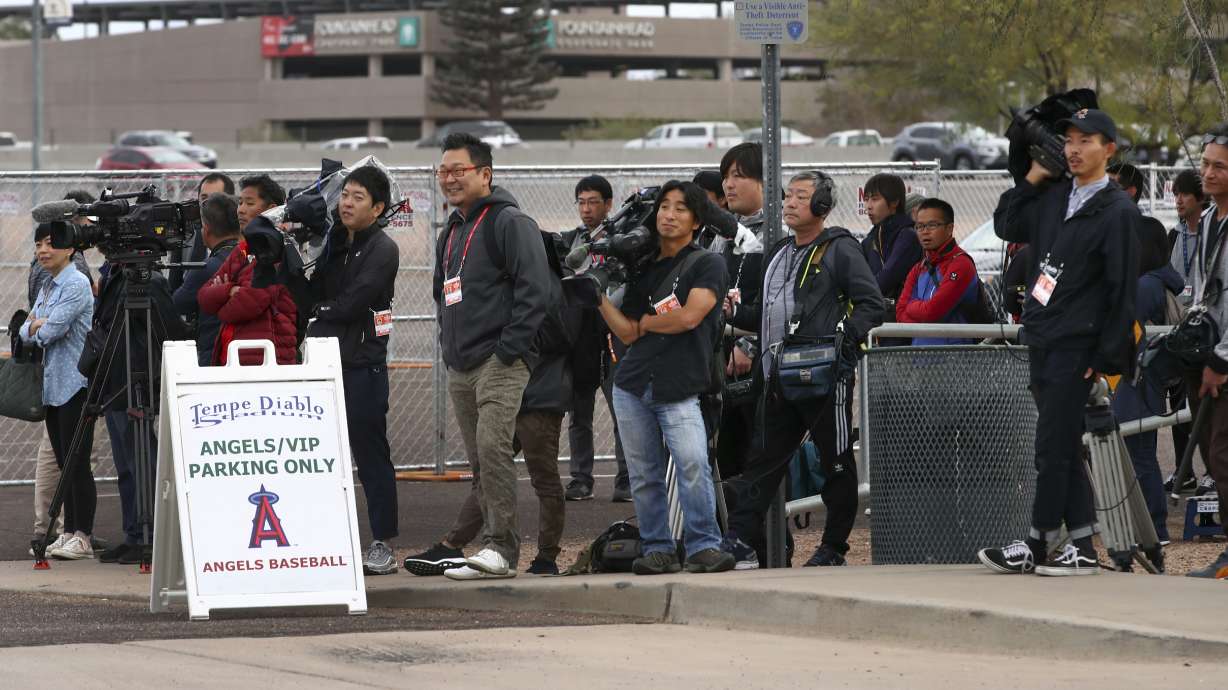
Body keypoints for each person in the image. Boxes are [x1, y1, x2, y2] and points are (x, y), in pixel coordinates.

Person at [980, 108, 1140, 577]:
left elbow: (1121, 291)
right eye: (1069, 139)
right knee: (1063, 443)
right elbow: (1007, 224)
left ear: (1108, 149)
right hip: (1043, 335)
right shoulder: (1055, 196)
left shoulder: (1118, 211)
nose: (1073, 148)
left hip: (1078, 346)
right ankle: (1084, 548)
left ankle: (1037, 540)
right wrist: (1033, 176)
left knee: (1051, 445)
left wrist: (1103, 356)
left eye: (1085, 140)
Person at [724, 171, 884, 569]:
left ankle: (833, 547)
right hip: (777, 377)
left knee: (836, 461)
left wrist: (843, 344)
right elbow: (762, 312)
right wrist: (732, 312)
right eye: (789, 196)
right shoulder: (779, 251)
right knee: (762, 462)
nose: (791, 203)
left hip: (823, 378)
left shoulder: (840, 249)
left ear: (822, 206)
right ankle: (738, 541)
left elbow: (871, 304)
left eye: (801, 196)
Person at [595, 180, 734, 575]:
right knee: (643, 475)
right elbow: (625, 332)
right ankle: (658, 548)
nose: (668, 215)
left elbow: (690, 316)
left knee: (692, 464)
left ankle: (704, 546)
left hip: (679, 385)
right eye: (664, 207)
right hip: (632, 383)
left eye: (680, 208)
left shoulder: (707, 263)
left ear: (696, 219)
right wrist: (598, 296)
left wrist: (644, 324)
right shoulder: (644, 267)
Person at [431, 133, 552, 580]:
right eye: (443, 171)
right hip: (461, 363)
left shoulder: (509, 221)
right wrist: (448, 345)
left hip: (499, 360)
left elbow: (534, 290)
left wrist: (508, 350)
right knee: (481, 462)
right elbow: (443, 296)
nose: (449, 179)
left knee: (492, 447)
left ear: (485, 174)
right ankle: (490, 550)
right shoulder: (454, 227)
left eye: (458, 171)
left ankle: (503, 548)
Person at [408, 264, 577, 578]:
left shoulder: (547, 287)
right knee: (488, 467)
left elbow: (562, 336)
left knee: (543, 476)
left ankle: (546, 555)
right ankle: (454, 544)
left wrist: (513, 335)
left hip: (538, 394)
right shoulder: (502, 287)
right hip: (503, 389)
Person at [307, 165, 401, 575]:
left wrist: (319, 311)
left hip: (362, 368)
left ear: (378, 207)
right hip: (323, 363)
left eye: (358, 196)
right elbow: (313, 292)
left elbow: (350, 304)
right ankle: (325, 539)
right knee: (321, 457)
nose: (346, 202)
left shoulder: (383, 248)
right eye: (344, 194)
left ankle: (383, 543)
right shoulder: (334, 241)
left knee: (371, 456)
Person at [24, 222, 96, 560]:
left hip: (76, 384)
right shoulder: (50, 285)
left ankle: (82, 535)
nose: (42, 250)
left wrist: (39, 325)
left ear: (70, 249)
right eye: (38, 243)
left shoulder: (76, 283)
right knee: (65, 460)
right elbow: (25, 328)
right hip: (54, 386)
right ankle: (67, 533)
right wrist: (37, 326)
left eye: (50, 244)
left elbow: (49, 331)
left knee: (77, 462)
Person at [557, 174, 631, 502]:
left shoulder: (623, 240)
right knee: (579, 412)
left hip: (616, 335)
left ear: (609, 204)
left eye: (593, 202)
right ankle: (580, 479)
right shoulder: (570, 242)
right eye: (582, 202)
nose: (587, 209)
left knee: (624, 410)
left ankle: (627, 480)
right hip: (581, 339)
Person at [1178, 125, 1228, 579]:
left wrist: (1221, 360)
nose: (1208, 173)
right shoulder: (1209, 219)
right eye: (1206, 163)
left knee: (1222, 451)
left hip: (1224, 359)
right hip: (1206, 350)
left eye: (1219, 166)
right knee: (1214, 454)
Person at [1111, 227, 1181, 543]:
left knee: (1139, 455)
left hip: (1137, 380)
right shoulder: (1155, 282)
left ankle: (1154, 527)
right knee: (1139, 454)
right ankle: (1149, 526)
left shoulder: (1145, 286)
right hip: (1143, 380)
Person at [715, 143, 766, 480]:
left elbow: (781, 305)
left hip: (758, 363)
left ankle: (769, 533)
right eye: (725, 177)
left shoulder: (780, 233)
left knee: (757, 458)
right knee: (724, 458)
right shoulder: (723, 234)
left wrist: (749, 346)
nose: (727, 185)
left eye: (737, 176)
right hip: (718, 359)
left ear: (764, 180)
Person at [196, 214, 299, 367]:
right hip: (230, 361)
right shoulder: (242, 250)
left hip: (265, 365)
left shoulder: (277, 253)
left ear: (270, 211)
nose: (241, 210)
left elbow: (240, 307)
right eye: (240, 202)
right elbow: (204, 297)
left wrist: (221, 300)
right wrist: (230, 290)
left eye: (250, 203)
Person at [1165, 168, 1207, 494]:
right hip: (1178, 330)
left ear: (1200, 197)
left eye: (1185, 194)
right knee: (1179, 401)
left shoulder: (1213, 233)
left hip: (1207, 332)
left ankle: (1211, 473)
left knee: (1208, 406)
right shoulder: (1174, 236)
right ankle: (1184, 469)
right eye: (1176, 193)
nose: (1178, 199)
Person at [895, 198, 983, 345]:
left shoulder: (961, 264)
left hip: (955, 359)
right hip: (918, 357)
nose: (925, 232)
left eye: (932, 225)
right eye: (920, 226)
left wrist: (913, 306)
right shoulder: (918, 268)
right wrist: (923, 310)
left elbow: (932, 312)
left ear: (950, 228)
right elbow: (900, 314)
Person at [172, 192, 241, 366]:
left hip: (214, 359)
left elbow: (176, 304)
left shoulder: (205, 269)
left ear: (207, 229)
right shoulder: (250, 258)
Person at [861, 173, 921, 330]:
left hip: (903, 324)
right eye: (866, 199)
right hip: (878, 320)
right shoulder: (871, 239)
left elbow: (884, 280)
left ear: (894, 202)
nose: (868, 205)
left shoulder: (908, 236)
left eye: (874, 199)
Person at [170, 172, 235, 292]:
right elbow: (174, 283)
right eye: (204, 198)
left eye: (215, 199)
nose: (208, 205)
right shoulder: (187, 235)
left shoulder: (241, 237)